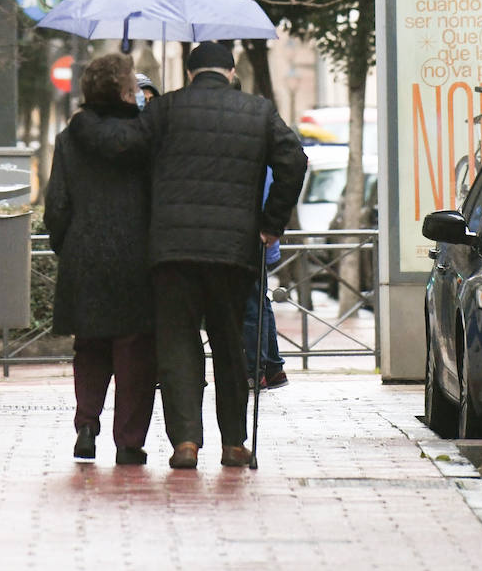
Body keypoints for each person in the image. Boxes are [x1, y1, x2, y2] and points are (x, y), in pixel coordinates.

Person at [69, 40, 306, 471]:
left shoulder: (165, 110)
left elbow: (121, 144)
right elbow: (294, 159)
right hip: (234, 251)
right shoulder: (259, 111)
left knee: (179, 345)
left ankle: (186, 443)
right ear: (230, 73)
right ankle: (234, 442)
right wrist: (271, 223)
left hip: (172, 252)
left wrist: (84, 122)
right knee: (231, 345)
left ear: (191, 73)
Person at [44, 52, 157, 466]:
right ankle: (128, 442)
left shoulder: (69, 139)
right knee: (135, 352)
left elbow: (57, 205)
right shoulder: (148, 139)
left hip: (84, 254)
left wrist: (68, 245)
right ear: (126, 91)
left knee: (89, 346)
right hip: (138, 256)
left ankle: (87, 426)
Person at [243, 171, 287, 390]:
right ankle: (272, 368)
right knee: (259, 301)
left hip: (253, 239)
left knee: (252, 305)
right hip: (261, 238)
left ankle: (255, 370)